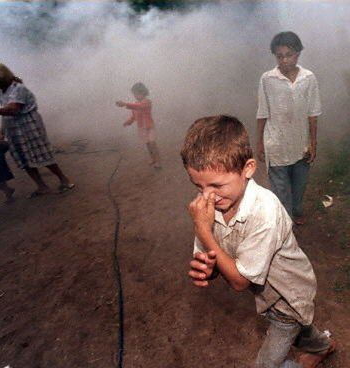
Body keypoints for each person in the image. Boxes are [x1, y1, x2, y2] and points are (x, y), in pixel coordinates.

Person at [181, 115, 335, 368]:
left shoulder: (265, 211)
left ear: (248, 169)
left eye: (217, 185)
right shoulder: (212, 207)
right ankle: (322, 346)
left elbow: (240, 282)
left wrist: (204, 231)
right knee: (301, 330)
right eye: (199, 186)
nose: (208, 196)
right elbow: (214, 257)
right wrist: (209, 270)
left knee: (273, 353)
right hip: (267, 296)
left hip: (289, 296)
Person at [0, 61, 74, 198]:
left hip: (29, 126)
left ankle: (64, 180)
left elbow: (12, 110)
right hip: (14, 130)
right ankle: (42, 186)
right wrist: (1, 133)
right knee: (24, 159)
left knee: (41, 154)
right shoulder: (1, 93)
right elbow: (5, 113)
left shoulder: (18, 89)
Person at [256, 32, 321, 225]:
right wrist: (259, 142)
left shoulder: (308, 78)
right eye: (279, 56)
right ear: (275, 56)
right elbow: (262, 113)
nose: (284, 60)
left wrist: (313, 142)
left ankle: (296, 211)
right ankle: (286, 226)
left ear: (298, 54)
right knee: (281, 189)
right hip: (275, 144)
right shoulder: (267, 79)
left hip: (300, 143)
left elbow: (313, 112)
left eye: (289, 55)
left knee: (298, 186)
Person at [116, 82, 161, 169]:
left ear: (143, 93)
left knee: (152, 144)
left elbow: (140, 106)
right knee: (148, 144)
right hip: (142, 128)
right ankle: (153, 159)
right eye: (134, 94)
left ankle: (158, 161)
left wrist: (125, 104)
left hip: (149, 127)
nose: (136, 96)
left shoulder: (147, 102)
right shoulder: (135, 104)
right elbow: (134, 116)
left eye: (137, 93)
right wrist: (128, 122)